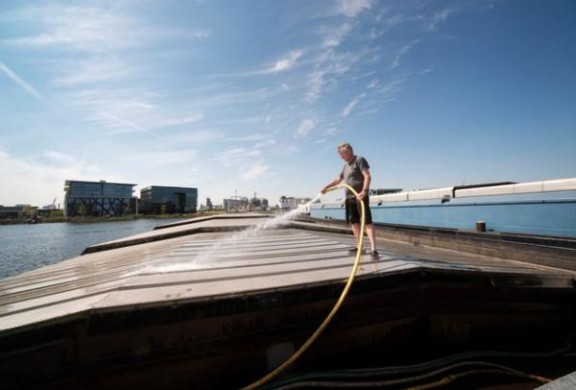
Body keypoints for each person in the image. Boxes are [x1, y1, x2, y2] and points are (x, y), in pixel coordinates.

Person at [321, 143, 379, 259]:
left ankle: (374, 249)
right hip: (349, 197)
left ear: (348, 152)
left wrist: (364, 191)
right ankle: (360, 246)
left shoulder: (360, 160)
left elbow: (367, 176)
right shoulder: (345, 165)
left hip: (360, 196)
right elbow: (339, 179)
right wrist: (327, 187)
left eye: (342, 154)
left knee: (367, 222)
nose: (340, 156)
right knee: (354, 223)